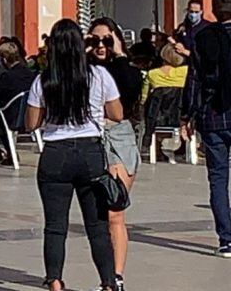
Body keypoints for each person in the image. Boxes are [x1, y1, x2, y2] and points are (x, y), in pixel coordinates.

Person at [25, 19, 123, 291]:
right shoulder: (98, 75)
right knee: (97, 225)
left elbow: (31, 123)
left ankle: (55, 280)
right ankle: (107, 283)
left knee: (55, 225)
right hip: (90, 152)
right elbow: (117, 114)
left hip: (56, 153)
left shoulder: (43, 80)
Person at [87, 17, 141, 288]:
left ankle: (116, 277)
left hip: (118, 137)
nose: (100, 46)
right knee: (96, 215)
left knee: (114, 211)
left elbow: (131, 92)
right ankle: (106, 276)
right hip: (90, 138)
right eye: (94, 40)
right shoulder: (83, 68)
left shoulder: (124, 69)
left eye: (106, 40)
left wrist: (119, 55)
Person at [180, 0, 231, 258]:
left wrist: (186, 115)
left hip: (213, 115)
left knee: (218, 179)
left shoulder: (203, 38)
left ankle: (227, 239)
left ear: (212, 12)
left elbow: (194, 80)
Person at [0, 40, 37, 166]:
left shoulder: (8, 77)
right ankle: (9, 153)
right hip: (29, 115)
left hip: (9, 117)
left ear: (4, 59)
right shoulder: (30, 74)